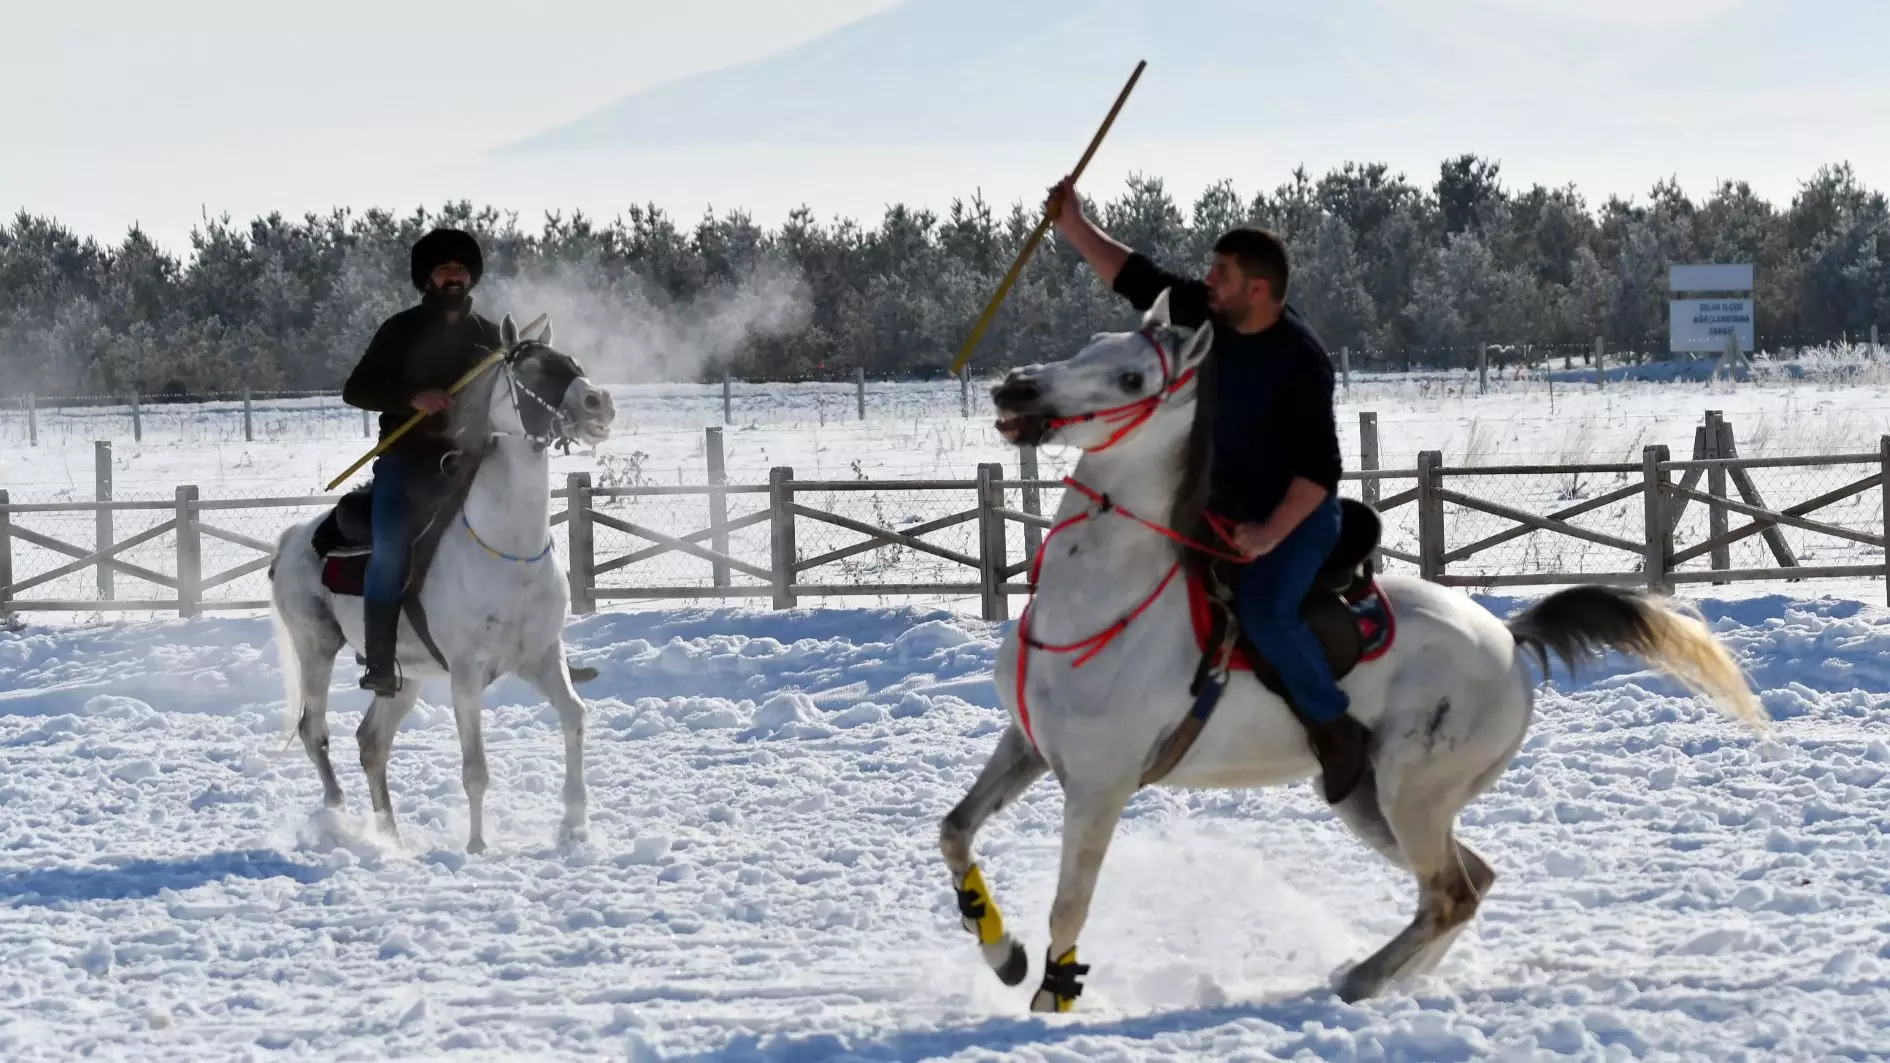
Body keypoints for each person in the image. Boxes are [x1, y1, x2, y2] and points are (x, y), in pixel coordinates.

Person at [1044, 177, 1369, 804]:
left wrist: (1268, 535)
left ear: (1259, 288)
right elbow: (1135, 276)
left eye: (1221, 272)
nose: (1208, 280)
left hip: (1295, 519)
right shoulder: (1211, 316)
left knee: (1267, 612)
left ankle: (1335, 726)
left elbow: (1318, 474)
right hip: (1217, 511)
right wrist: (1074, 224)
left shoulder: (1301, 362)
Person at [341, 228, 503, 695]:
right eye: (443, 268)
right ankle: (379, 662)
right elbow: (356, 390)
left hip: (471, 465)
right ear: (426, 278)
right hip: (405, 463)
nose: (454, 275)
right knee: (390, 550)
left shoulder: (490, 337)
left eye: (460, 268)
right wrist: (410, 398)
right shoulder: (400, 329)